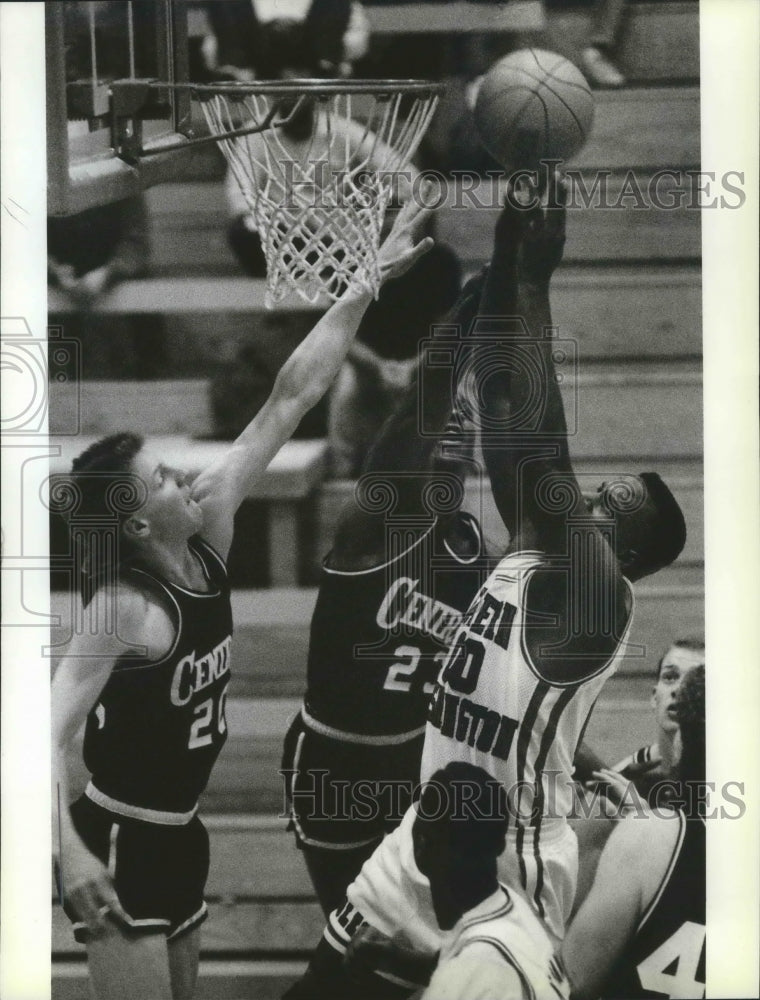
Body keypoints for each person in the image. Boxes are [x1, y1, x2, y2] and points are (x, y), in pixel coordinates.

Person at [282, 171, 688, 998]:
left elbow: (541, 453)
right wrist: (504, 269)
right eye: (599, 491)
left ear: (627, 556)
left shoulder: (597, 594)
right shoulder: (535, 551)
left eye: (611, 505)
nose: (591, 497)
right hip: (422, 837)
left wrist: (532, 278)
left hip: (507, 868)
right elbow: (512, 419)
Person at [51, 196, 433, 1000]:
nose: (180, 473)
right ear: (130, 520)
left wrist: (363, 282)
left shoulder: (207, 528)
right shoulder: (122, 608)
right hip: (118, 838)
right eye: (157, 476)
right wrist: (71, 855)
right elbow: (44, 738)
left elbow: (288, 398)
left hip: (183, 835)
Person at [282, 269, 490, 916]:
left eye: (466, 419)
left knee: (425, 942)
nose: (455, 426)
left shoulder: (472, 553)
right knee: (353, 943)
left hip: (416, 763)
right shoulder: (375, 524)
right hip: (337, 762)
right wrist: (463, 326)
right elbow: (410, 431)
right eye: (444, 419)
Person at [561, 665, 706, 999]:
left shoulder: (652, 832)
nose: (676, 689)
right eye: (670, 676)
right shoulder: (634, 794)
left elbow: (570, 983)